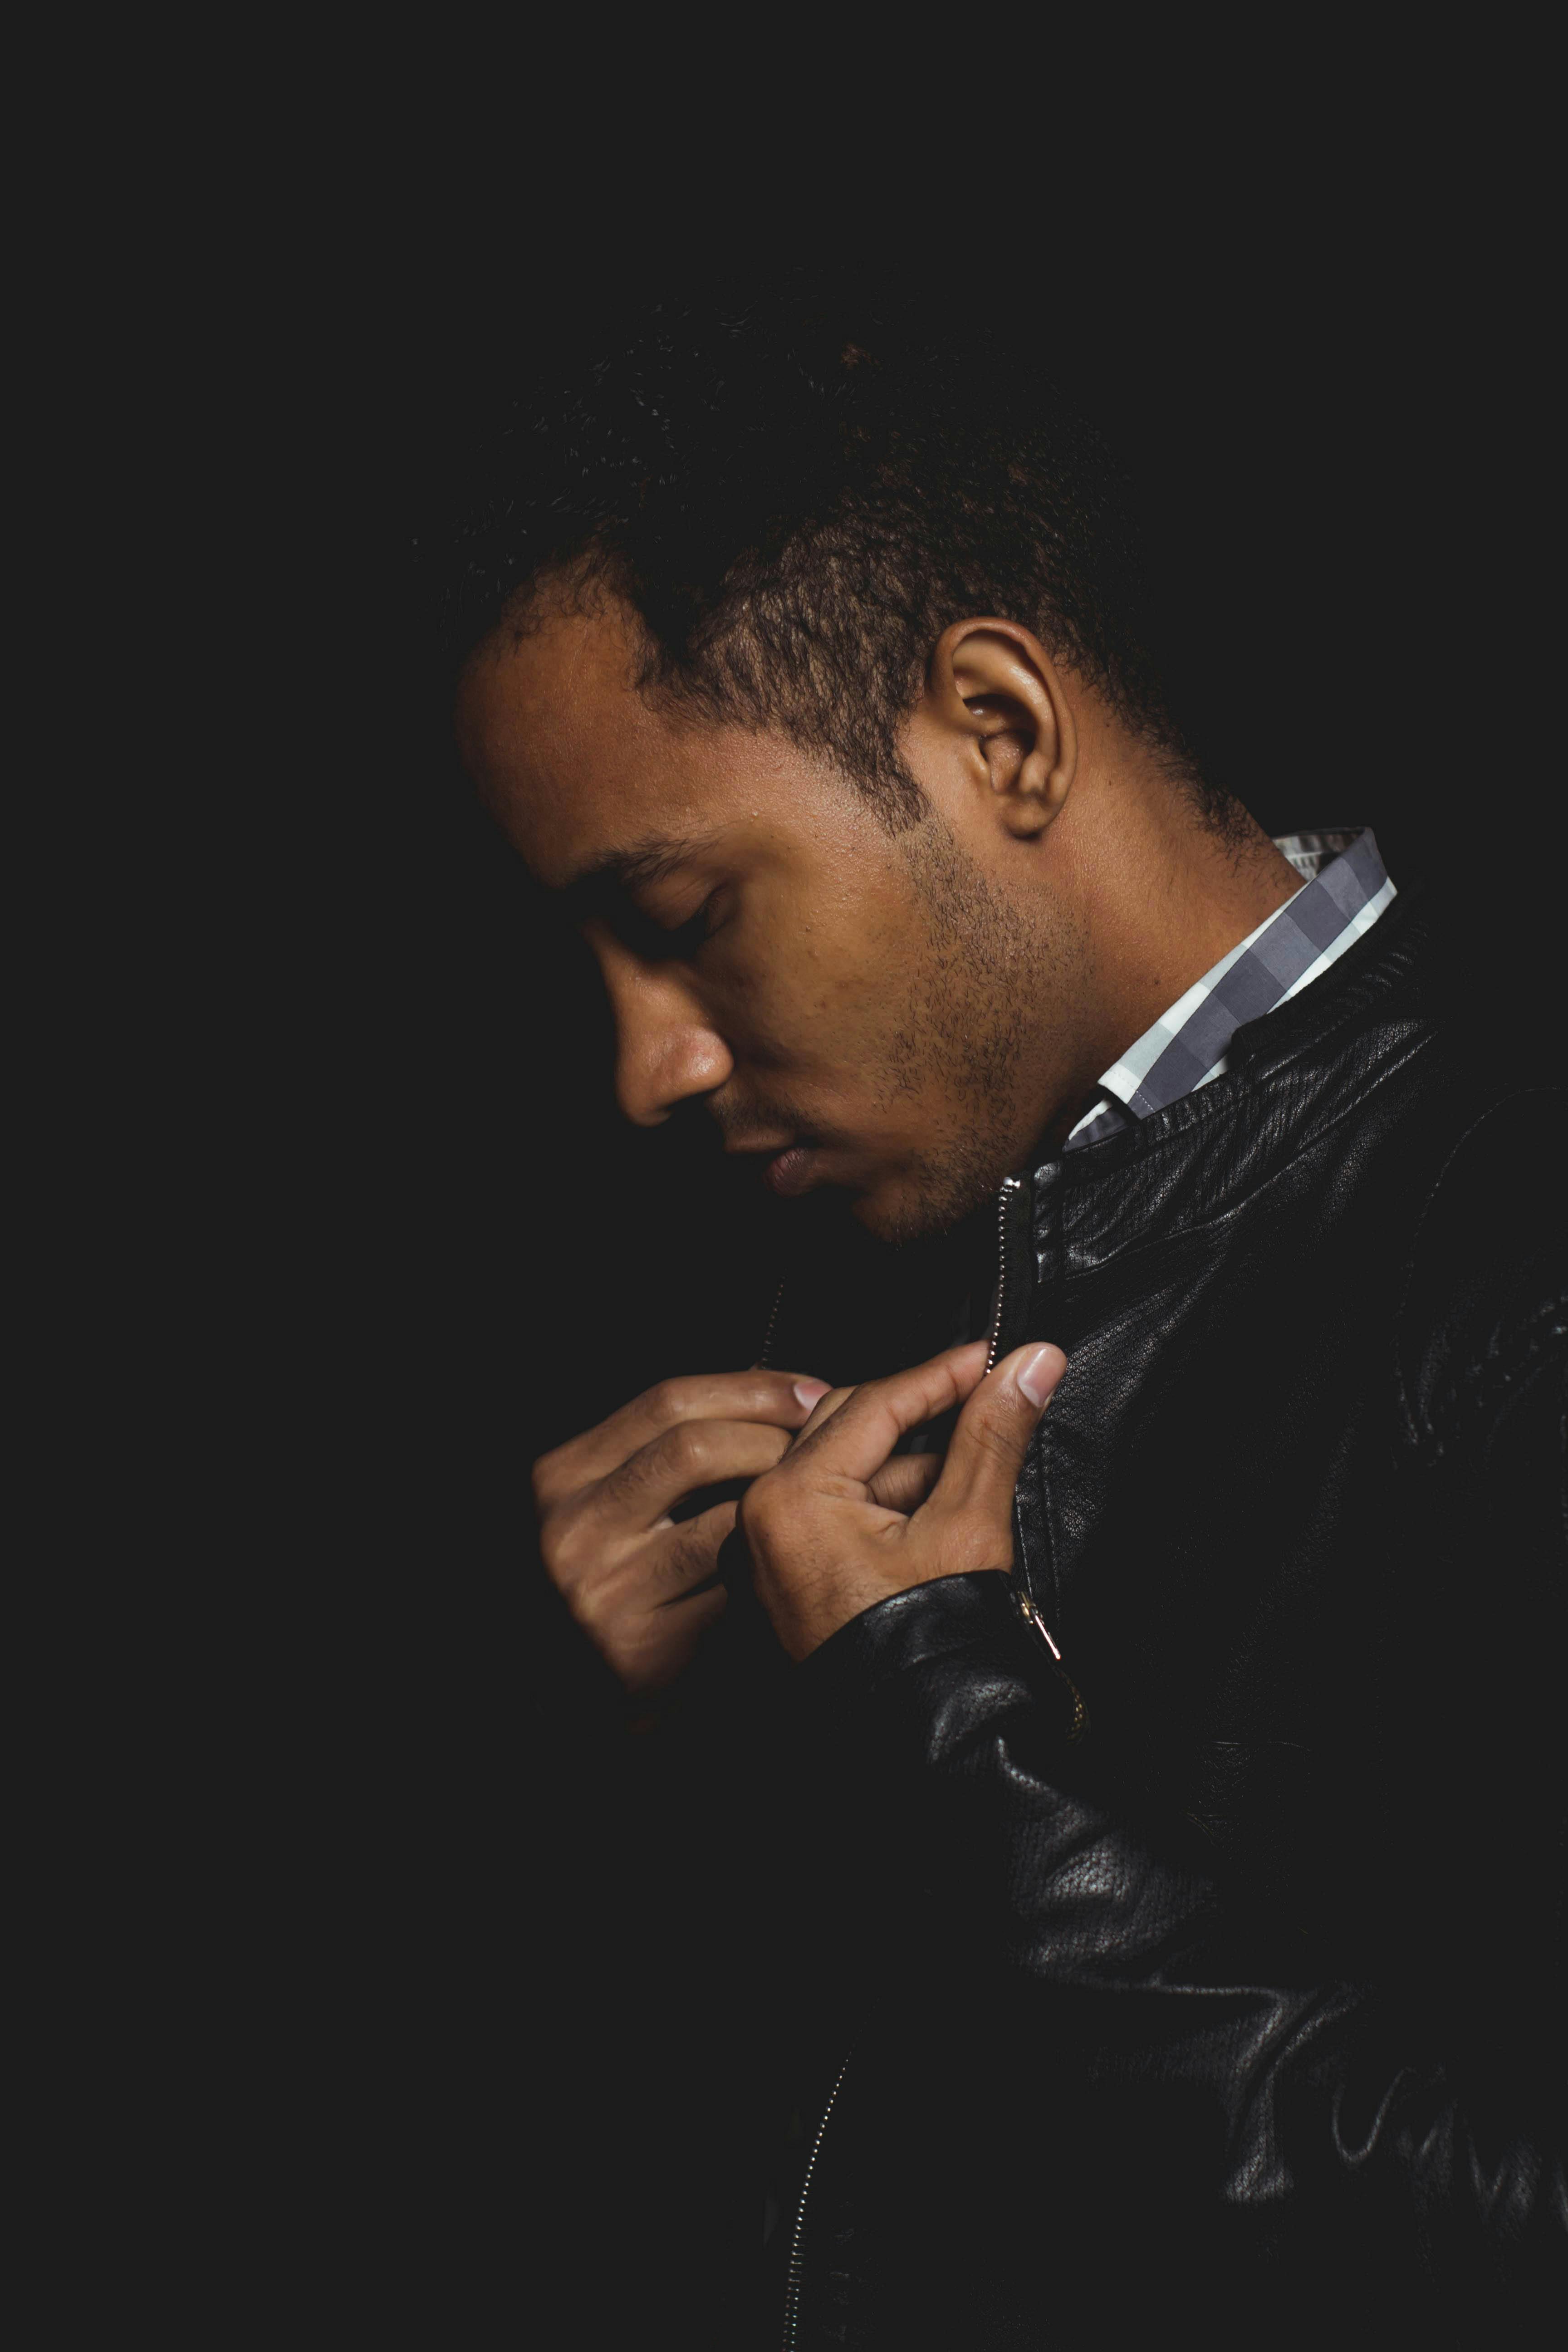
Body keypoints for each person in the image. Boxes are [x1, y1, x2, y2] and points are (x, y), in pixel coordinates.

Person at [445, 314, 1564, 2345]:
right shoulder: (840, 1275)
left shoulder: (1503, 1241)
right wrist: (588, 1759)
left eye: (687, 919)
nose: (645, 1067)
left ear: (1002, 732)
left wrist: (954, 1759)